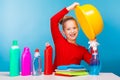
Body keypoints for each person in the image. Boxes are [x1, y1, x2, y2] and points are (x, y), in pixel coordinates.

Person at [50, 2, 92, 71]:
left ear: (78, 29)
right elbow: (53, 20)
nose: (72, 31)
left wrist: (94, 46)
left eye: (74, 28)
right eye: (68, 29)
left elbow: (94, 63)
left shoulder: (82, 50)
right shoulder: (59, 42)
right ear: (64, 32)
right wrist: (70, 8)